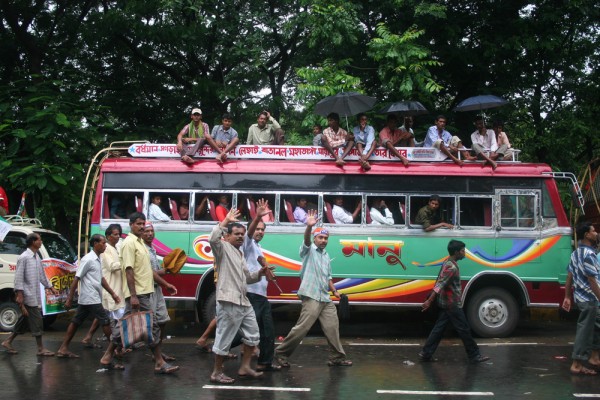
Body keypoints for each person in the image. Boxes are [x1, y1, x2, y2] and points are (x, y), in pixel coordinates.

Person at [275, 210, 352, 367]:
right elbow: (306, 241)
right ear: (314, 238)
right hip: (311, 295)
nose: (323, 240)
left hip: (325, 297)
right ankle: (281, 353)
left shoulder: (325, 256)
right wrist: (309, 227)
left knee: (332, 327)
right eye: (320, 238)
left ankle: (336, 357)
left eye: (326, 238)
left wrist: (335, 291)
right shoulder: (309, 250)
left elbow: (328, 277)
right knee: (302, 327)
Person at [209, 208, 268, 384]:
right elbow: (213, 238)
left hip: (243, 301)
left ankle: (245, 367)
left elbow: (248, 278)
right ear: (227, 237)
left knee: (253, 335)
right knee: (224, 339)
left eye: (242, 234)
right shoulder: (223, 248)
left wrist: (260, 273)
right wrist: (226, 220)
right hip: (228, 300)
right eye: (236, 234)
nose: (241, 237)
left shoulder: (240, 253)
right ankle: (216, 372)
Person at [119, 212, 179, 374]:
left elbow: (149, 271)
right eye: (138, 224)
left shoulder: (141, 244)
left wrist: (165, 284)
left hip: (147, 290)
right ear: (131, 224)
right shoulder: (129, 243)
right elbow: (128, 270)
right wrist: (133, 295)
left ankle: (108, 354)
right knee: (151, 327)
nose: (142, 227)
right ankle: (159, 361)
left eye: (143, 224)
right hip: (139, 293)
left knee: (126, 326)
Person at [56, 234, 122, 367]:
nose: (105, 245)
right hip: (90, 297)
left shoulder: (98, 259)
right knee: (105, 321)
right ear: (95, 244)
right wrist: (69, 298)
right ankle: (114, 350)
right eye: (103, 243)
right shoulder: (88, 259)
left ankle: (63, 348)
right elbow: (76, 278)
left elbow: (101, 279)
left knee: (76, 321)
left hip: (91, 297)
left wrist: (113, 294)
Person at [419, 239, 490, 364]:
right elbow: (440, 285)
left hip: (448, 303)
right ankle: (474, 355)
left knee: (439, 329)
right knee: (464, 329)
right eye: (463, 251)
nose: (464, 253)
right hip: (452, 304)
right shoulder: (451, 267)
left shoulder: (448, 262)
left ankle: (426, 353)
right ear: (457, 252)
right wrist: (429, 301)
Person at [240, 199, 281, 371]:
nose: (260, 232)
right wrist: (257, 217)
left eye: (263, 229)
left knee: (268, 331)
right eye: (257, 228)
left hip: (261, 295)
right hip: (251, 293)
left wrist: (267, 274)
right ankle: (221, 347)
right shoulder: (247, 244)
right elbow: (248, 234)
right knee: (246, 330)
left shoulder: (258, 247)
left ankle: (265, 362)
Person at [1, 233, 59, 356]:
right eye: (39, 239)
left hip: (34, 293)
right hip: (27, 294)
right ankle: (40, 348)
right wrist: (19, 295)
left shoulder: (36, 256)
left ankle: (8, 341)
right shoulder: (24, 257)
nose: (41, 241)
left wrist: (50, 287)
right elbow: (18, 277)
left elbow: (42, 275)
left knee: (25, 320)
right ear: (33, 242)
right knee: (37, 320)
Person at [561, 222, 600, 375]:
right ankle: (577, 364)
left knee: (596, 325)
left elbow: (570, 275)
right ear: (587, 235)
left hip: (581, 298)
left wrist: (567, 297)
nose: (596, 232)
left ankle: (594, 358)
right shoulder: (588, 255)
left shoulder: (576, 253)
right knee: (585, 330)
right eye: (593, 230)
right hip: (589, 299)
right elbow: (592, 281)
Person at [80, 224, 125, 350]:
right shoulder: (105, 250)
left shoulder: (116, 247)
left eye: (118, 234)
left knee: (103, 314)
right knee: (116, 315)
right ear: (108, 236)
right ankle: (117, 345)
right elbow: (112, 266)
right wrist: (127, 261)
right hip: (110, 287)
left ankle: (88, 337)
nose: (118, 237)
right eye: (115, 234)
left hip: (115, 286)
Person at [142, 222, 178, 362]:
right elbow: (149, 273)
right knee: (152, 324)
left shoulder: (152, 248)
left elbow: (156, 272)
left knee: (162, 320)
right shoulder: (143, 250)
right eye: (146, 231)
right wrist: (166, 280)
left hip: (157, 289)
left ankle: (158, 350)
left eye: (151, 231)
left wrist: (167, 270)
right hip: (148, 290)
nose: (150, 233)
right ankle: (157, 356)